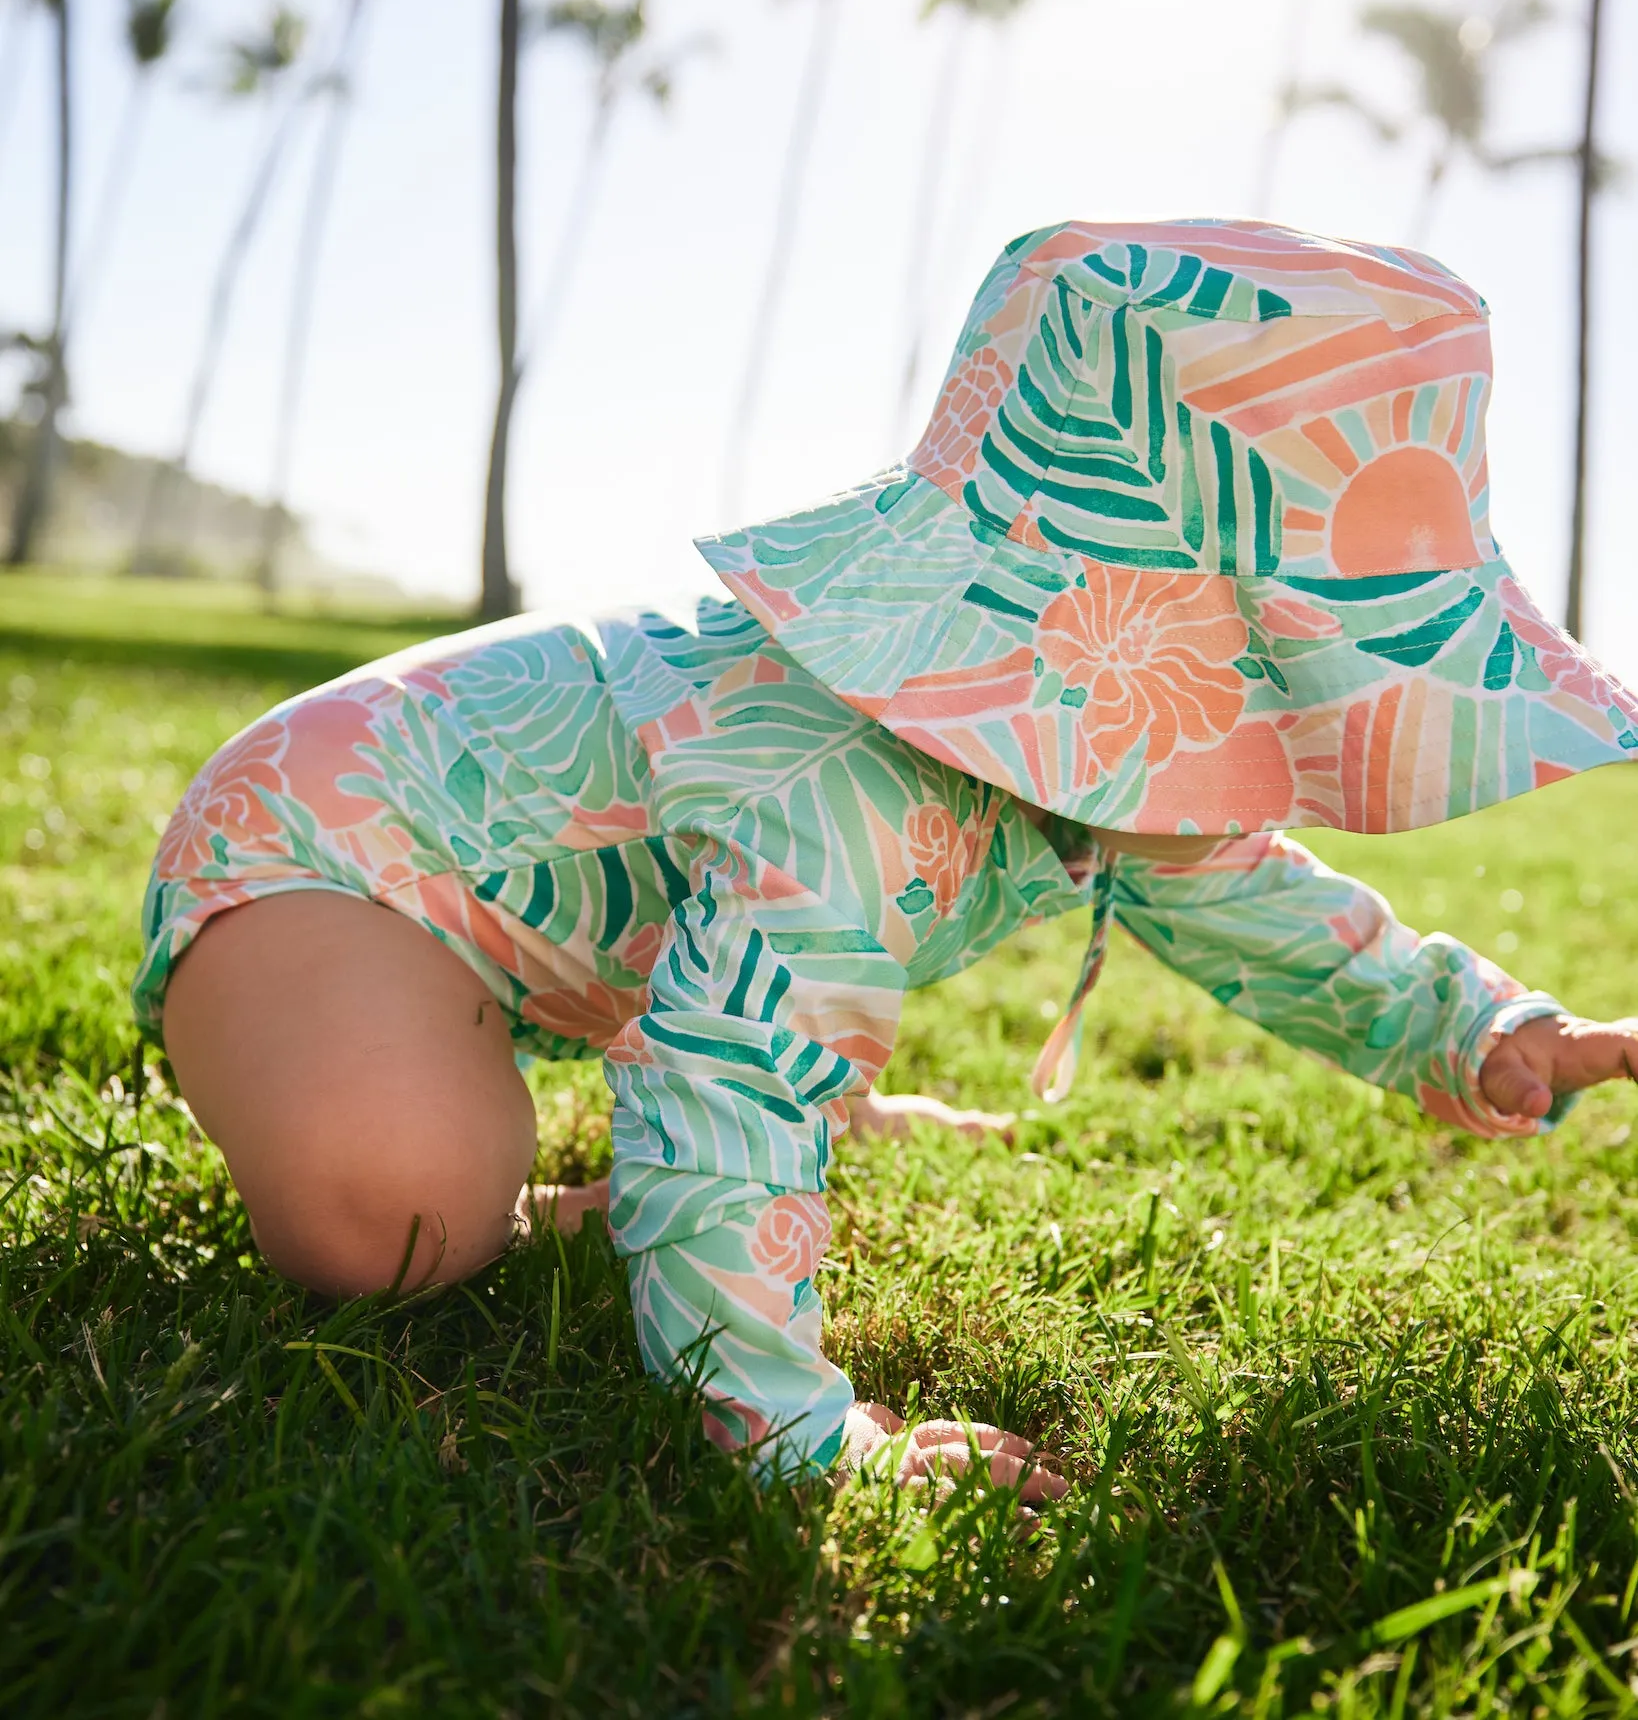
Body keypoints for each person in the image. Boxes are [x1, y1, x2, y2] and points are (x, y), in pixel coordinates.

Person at [140, 220, 1638, 1501]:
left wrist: (1491, 1030)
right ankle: (522, 1188)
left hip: (523, 929)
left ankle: (567, 1193)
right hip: (325, 855)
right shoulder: (835, 784)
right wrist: (797, 1432)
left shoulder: (1128, 779)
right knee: (396, 1221)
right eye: (1260, 687)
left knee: (682, 1080)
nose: (1257, 751)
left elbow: (1272, 915)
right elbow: (729, 1069)